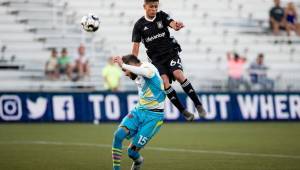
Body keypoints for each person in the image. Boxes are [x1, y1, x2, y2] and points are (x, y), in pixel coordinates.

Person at [131, 0, 206, 121]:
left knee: (178, 74)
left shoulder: (162, 16)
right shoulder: (139, 25)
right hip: (156, 60)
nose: (154, 9)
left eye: (156, 6)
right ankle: (184, 111)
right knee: (165, 84)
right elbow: (135, 46)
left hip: (170, 53)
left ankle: (198, 104)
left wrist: (177, 25)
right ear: (144, 7)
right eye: (151, 7)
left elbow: (172, 23)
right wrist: (133, 65)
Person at [111, 54, 166, 170]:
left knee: (131, 152)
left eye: (125, 70)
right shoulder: (137, 72)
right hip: (138, 111)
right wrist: (125, 64)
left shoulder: (149, 68)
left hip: (154, 117)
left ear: (130, 65)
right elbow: (134, 60)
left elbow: (148, 74)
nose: (125, 74)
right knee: (118, 135)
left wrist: (124, 64)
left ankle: (139, 160)